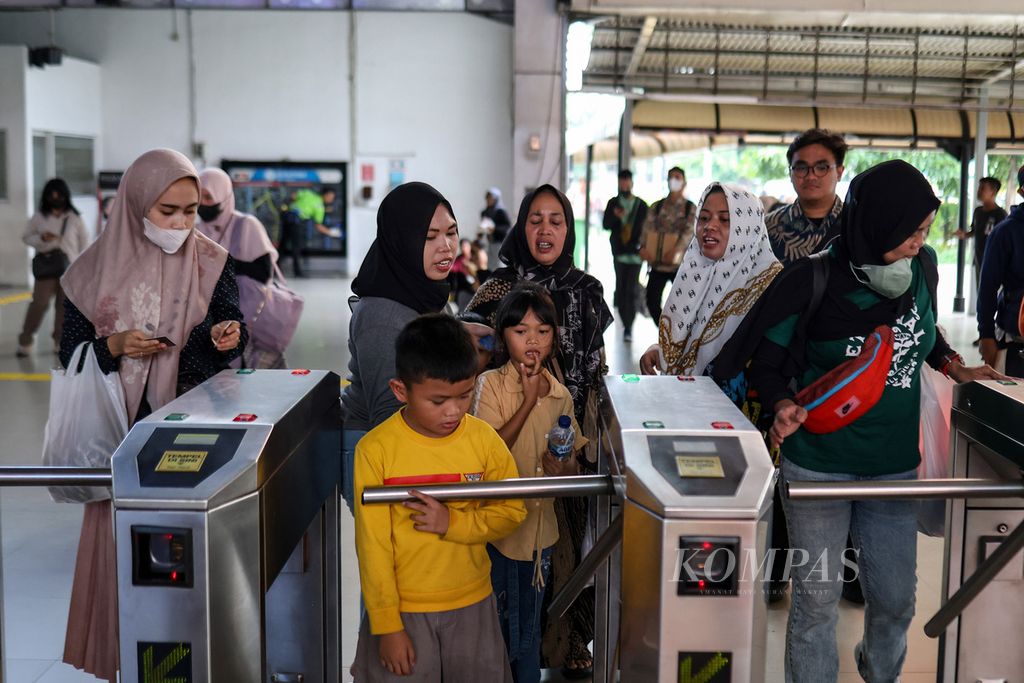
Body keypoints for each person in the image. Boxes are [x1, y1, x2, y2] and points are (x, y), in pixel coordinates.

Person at [734, 160, 1001, 683]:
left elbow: (924, 331)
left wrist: (952, 363)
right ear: (876, 223)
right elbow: (767, 362)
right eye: (912, 231)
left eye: (925, 230)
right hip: (819, 468)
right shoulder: (812, 279)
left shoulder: (921, 268)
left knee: (896, 599)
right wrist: (784, 404)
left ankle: (880, 673)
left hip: (893, 467)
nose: (920, 241)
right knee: (815, 605)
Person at [58, 148, 246, 682]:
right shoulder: (90, 272)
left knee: (184, 569)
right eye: (169, 211)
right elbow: (71, 357)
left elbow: (230, 329)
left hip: (193, 441)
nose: (182, 224)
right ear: (137, 204)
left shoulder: (211, 261)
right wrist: (113, 343)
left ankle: (189, 665)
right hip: (122, 440)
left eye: (191, 211)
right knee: (131, 566)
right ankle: (131, 661)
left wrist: (223, 336)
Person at [464, 185, 612, 679]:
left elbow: (597, 367)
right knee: (512, 554)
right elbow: (469, 353)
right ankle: (510, 652)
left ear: (568, 229)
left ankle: (566, 642)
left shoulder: (588, 289)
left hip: (566, 425)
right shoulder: (495, 288)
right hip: (506, 422)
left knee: (568, 545)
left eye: (556, 220)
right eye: (534, 219)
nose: (545, 230)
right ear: (521, 227)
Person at [352, 314, 525, 682]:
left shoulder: (482, 440)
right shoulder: (376, 450)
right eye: (438, 400)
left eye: (465, 395)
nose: (454, 411)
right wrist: (386, 626)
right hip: (404, 609)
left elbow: (513, 509)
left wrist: (453, 523)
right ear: (401, 390)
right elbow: (373, 546)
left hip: (472, 602)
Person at [472, 283, 585, 683]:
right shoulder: (490, 386)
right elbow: (488, 451)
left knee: (529, 629)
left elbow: (570, 466)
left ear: (555, 338)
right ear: (503, 336)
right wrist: (527, 401)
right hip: (499, 536)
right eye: (520, 332)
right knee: (500, 629)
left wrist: (563, 464)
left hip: (541, 537)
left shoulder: (561, 397)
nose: (532, 340)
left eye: (543, 331)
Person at [341, 182, 461, 515]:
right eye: (429, 237)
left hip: (415, 438)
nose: (446, 247)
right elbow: (388, 418)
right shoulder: (381, 316)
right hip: (379, 452)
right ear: (401, 240)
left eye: (451, 233)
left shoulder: (422, 290)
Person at [639, 183, 782, 394]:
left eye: (725, 219)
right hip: (688, 406)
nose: (710, 226)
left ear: (749, 224)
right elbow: (695, 340)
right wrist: (662, 352)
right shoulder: (697, 272)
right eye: (704, 218)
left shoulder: (770, 285)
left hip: (739, 418)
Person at [198, 167, 288, 368]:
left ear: (223, 195)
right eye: (198, 197)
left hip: (248, 317)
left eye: (208, 197)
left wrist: (220, 265)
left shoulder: (246, 225)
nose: (202, 204)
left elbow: (263, 272)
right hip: (208, 320)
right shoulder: (197, 230)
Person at [17, 178, 88, 357]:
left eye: (59, 195)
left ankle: (60, 341)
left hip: (69, 268)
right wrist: (41, 238)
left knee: (64, 307)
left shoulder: (74, 217)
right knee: (39, 304)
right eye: (52, 196)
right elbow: (26, 237)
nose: (55, 199)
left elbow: (85, 243)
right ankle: (25, 340)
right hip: (46, 266)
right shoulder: (39, 216)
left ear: (65, 196)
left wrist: (81, 266)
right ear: (46, 197)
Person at [765, 128, 847, 266]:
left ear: (839, 172)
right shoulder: (767, 228)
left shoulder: (858, 224)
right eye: (801, 168)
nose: (811, 176)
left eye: (821, 167)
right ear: (790, 174)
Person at [977, 166, 1024, 376]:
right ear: (1022, 192)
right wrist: (986, 335)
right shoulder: (1006, 232)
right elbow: (988, 286)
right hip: (1016, 339)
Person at [637, 166, 697, 322]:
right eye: (671, 177)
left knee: (683, 304)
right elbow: (646, 230)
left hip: (681, 267)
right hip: (658, 265)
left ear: (684, 183)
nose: (674, 181)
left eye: (678, 177)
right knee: (652, 302)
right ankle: (664, 332)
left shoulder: (690, 208)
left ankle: (678, 336)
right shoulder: (657, 207)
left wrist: (676, 250)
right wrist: (642, 249)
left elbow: (689, 232)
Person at [603, 169, 648, 342]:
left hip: (636, 255)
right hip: (619, 254)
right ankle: (624, 320)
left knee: (630, 289)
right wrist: (615, 217)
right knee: (621, 288)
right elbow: (606, 224)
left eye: (627, 181)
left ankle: (629, 326)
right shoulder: (613, 203)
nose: (624, 184)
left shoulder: (641, 205)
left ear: (631, 182)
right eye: (622, 181)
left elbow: (646, 230)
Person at [957, 176, 1008, 296]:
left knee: (993, 295)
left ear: (993, 192)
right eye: (979, 188)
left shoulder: (1000, 214)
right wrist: (964, 234)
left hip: (995, 261)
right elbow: (974, 231)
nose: (979, 191)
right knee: (981, 293)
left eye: (982, 188)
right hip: (979, 259)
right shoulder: (978, 212)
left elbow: (1005, 240)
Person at [280, 186, 336, 277]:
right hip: (297, 222)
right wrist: (331, 233)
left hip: (287, 217)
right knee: (296, 248)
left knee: (282, 244)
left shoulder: (308, 193)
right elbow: (319, 226)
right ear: (326, 195)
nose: (331, 200)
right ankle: (297, 272)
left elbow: (293, 196)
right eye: (331, 197)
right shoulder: (319, 206)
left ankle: (275, 269)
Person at [481, 186, 513, 265]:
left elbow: (507, 227)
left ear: (496, 199)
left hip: (500, 243)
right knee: (491, 265)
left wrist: (495, 229)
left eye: (490, 198)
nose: (488, 200)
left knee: (499, 264)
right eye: (487, 198)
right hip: (491, 242)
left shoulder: (501, 212)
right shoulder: (485, 212)